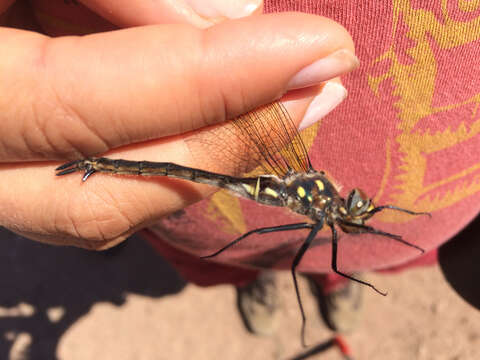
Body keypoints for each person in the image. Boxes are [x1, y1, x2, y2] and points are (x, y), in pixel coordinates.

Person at [1, 0, 478, 337]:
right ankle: (258, 279)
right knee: (271, 254)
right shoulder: (326, 211)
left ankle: (323, 283)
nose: (360, 208)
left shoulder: (330, 210)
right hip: (198, 223)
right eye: (358, 208)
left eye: (355, 210)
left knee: (316, 261)